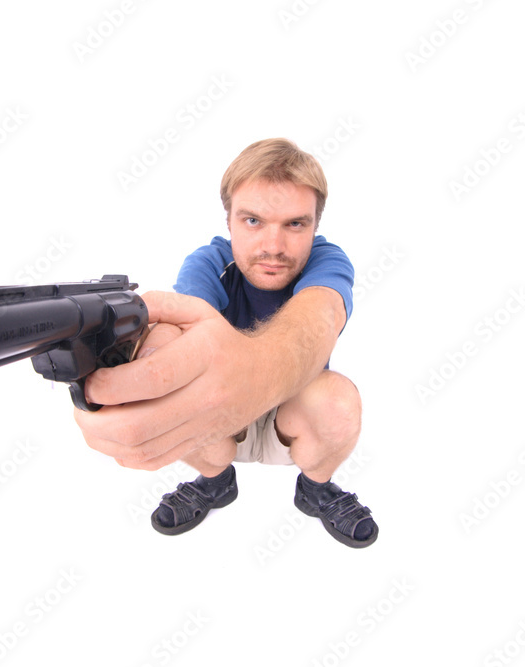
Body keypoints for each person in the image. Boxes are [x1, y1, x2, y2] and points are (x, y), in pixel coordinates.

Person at [74, 138, 377, 548]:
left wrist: (248, 378)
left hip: (295, 412)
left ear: (314, 227)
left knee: (339, 402)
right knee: (173, 387)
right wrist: (149, 367)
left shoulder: (328, 259)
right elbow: (180, 328)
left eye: (294, 224)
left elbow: (319, 318)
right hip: (219, 420)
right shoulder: (208, 262)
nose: (273, 247)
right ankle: (216, 482)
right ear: (229, 222)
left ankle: (315, 488)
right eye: (253, 221)